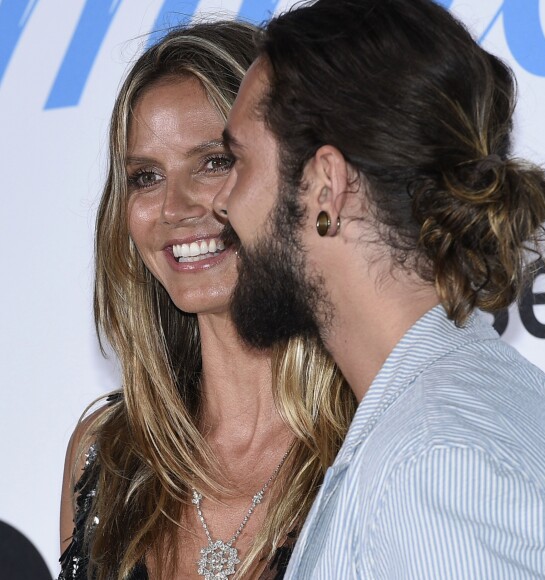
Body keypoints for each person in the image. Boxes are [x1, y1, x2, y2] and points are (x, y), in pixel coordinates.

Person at [214, 0, 545, 577]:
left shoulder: (434, 463)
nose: (220, 200)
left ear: (326, 187)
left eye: (237, 162)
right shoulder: (449, 421)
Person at [57, 21, 356, 580]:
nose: (174, 206)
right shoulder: (108, 454)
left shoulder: (374, 438)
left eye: (215, 162)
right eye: (145, 177)